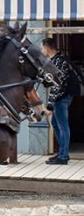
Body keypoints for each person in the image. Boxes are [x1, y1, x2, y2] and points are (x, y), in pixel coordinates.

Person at [42, 37, 74, 165]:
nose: (42, 50)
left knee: (63, 126)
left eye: (42, 47)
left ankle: (63, 157)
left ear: (46, 47)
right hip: (63, 97)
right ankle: (62, 153)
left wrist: (49, 105)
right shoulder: (56, 59)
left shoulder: (58, 61)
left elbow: (57, 85)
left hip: (61, 98)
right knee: (55, 123)